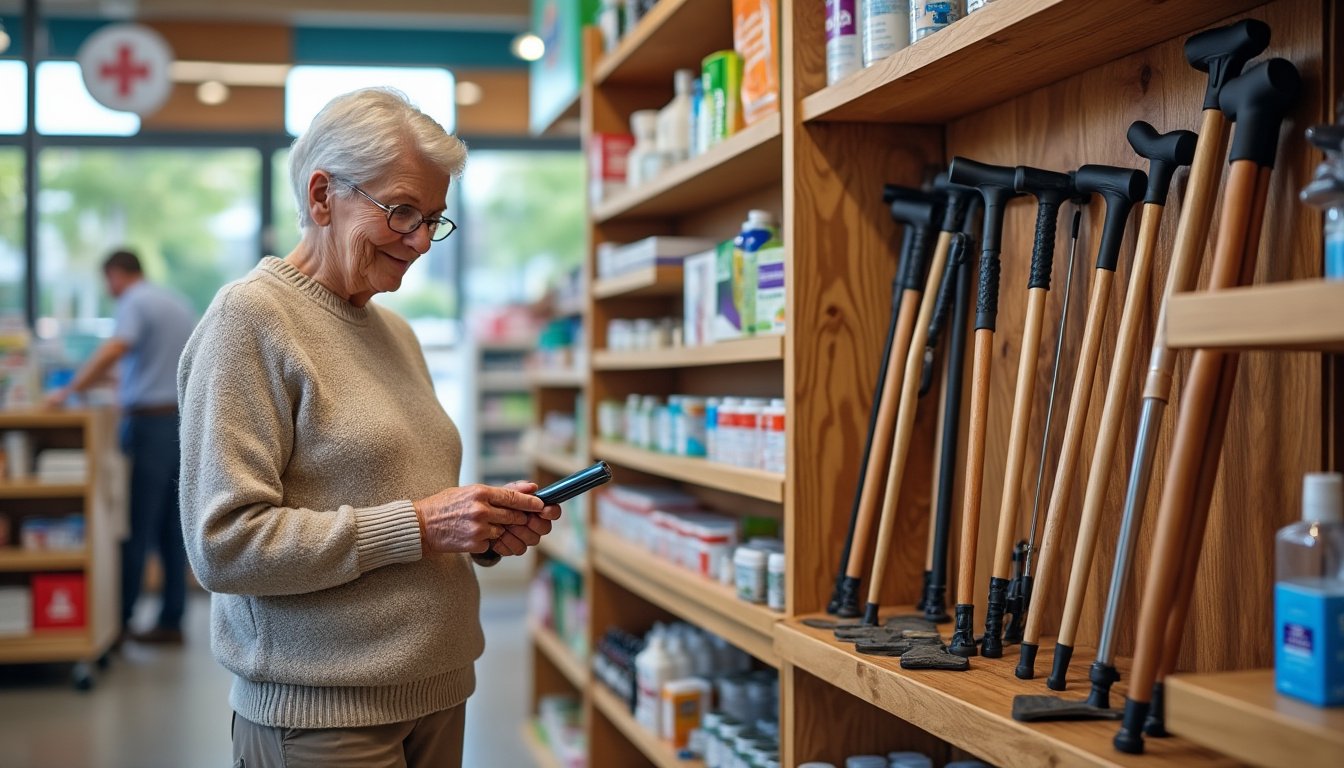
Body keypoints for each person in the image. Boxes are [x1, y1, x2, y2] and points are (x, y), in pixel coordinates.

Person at [177, 87, 561, 768]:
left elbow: (404, 498)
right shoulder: (251, 320)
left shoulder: (396, 332)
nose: (419, 242)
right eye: (402, 211)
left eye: (434, 219)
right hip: (325, 715)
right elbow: (224, 545)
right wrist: (421, 525)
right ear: (322, 195)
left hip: (438, 688)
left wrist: (478, 530)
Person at [45, 248, 196, 646]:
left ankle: (120, 620)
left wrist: (69, 389)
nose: (108, 289)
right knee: (169, 527)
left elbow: (116, 348)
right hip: (180, 422)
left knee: (136, 524)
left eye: (107, 281)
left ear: (116, 274)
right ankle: (171, 620)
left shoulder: (134, 301)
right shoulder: (174, 302)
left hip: (149, 425)